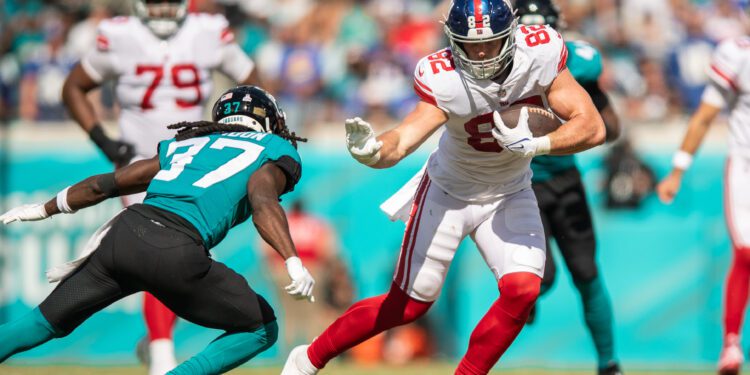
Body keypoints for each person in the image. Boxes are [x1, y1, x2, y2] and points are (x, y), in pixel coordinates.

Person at [281, 0, 606, 373]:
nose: (481, 52)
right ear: (453, 40)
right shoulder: (443, 76)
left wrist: (539, 145)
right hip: (450, 193)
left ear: (512, 35)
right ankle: (308, 357)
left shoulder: (541, 52)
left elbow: (592, 126)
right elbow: (404, 138)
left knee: (523, 291)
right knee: (408, 305)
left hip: (510, 190)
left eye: (491, 42)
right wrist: (374, 150)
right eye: (470, 43)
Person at [0, 86, 313, 375]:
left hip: (124, 235)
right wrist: (292, 259)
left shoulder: (189, 142)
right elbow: (263, 200)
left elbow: (105, 184)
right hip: (177, 250)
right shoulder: (273, 147)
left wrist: (43, 209)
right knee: (261, 327)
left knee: (41, 322)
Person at [60, 1, 261, 373]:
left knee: (176, 257)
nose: (165, 9)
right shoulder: (120, 35)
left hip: (195, 161)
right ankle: (162, 352)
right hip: (140, 163)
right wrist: (102, 139)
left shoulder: (207, 30)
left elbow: (254, 84)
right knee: (164, 253)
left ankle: (158, 341)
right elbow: (73, 87)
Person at [514, 1, 623, 374]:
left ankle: (608, 363)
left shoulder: (579, 60)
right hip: (520, 184)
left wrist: (585, 109)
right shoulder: (497, 66)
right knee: (539, 279)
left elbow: (610, 126)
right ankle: (521, 303)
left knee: (586, 271)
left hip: (564, 180)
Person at [657, 35, 750, 375]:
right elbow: (704, 117)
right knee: (745, 252)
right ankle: (731, 343)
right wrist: (677, 170)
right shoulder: (738, 55)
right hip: (745, 167)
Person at [258, 200, 353, 352]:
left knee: (288, 315)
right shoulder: (316, 223)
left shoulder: (280, 223)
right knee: (313, 314)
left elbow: (265, 250)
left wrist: (274, 271)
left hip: (283, 270)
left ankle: (287, 355)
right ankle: (313, 354)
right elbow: (329, 251)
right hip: (311, 269)